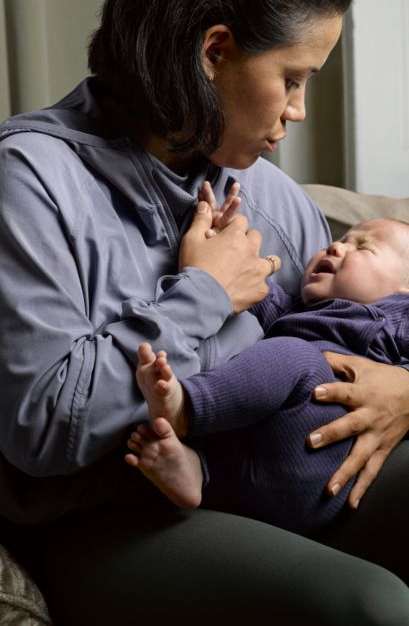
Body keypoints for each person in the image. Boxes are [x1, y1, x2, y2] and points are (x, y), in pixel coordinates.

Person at [0, 0, 409, 626]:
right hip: (106, 514)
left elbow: (341, 331)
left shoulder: (270, 198)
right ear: (214, 50)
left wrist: (402, 386)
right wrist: (204, 293)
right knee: (367, 608)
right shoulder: (28, 180)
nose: (298, 111)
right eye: (290, 78)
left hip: (256, 478)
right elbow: (40, 426)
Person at [125, 214, 409, 535]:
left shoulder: (397, 315)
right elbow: (255, 294)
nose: (336, 246)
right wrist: (223, 246)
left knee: (295, 355)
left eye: (363, 247)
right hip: (259, 462)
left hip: (321, 465)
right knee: (244, 394)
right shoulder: (296, 311)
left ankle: (189, 407)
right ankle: (196, 472)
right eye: (341, 240)